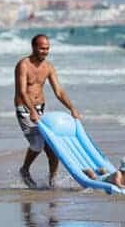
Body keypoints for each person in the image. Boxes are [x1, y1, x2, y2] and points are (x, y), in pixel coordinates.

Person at [15, 34, 82, 189]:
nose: (45, 51)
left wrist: (72, 108)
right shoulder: (23, 65)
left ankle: (52, 182)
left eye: (47, 48)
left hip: (40, 109)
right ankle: (24, 170)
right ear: (34, 47)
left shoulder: (48, 67)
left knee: (53, 149)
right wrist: (31, 110)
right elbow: (22, 92)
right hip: (25, 109)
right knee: (37, 144)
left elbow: (59, 91)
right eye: (42, 48)